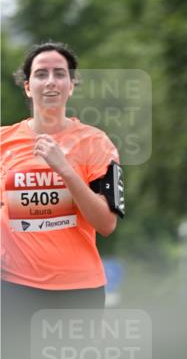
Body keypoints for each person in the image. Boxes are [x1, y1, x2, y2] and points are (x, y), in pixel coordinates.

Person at [1, 41, 125, 317]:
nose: (50, 82)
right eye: (41, 74)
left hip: (79, 293)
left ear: (71, 85)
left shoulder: (97, 143)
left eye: (60, 73)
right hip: (13, 288)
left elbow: (106, 224)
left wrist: (66, 171)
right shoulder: (3, 142)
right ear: (27, 86)